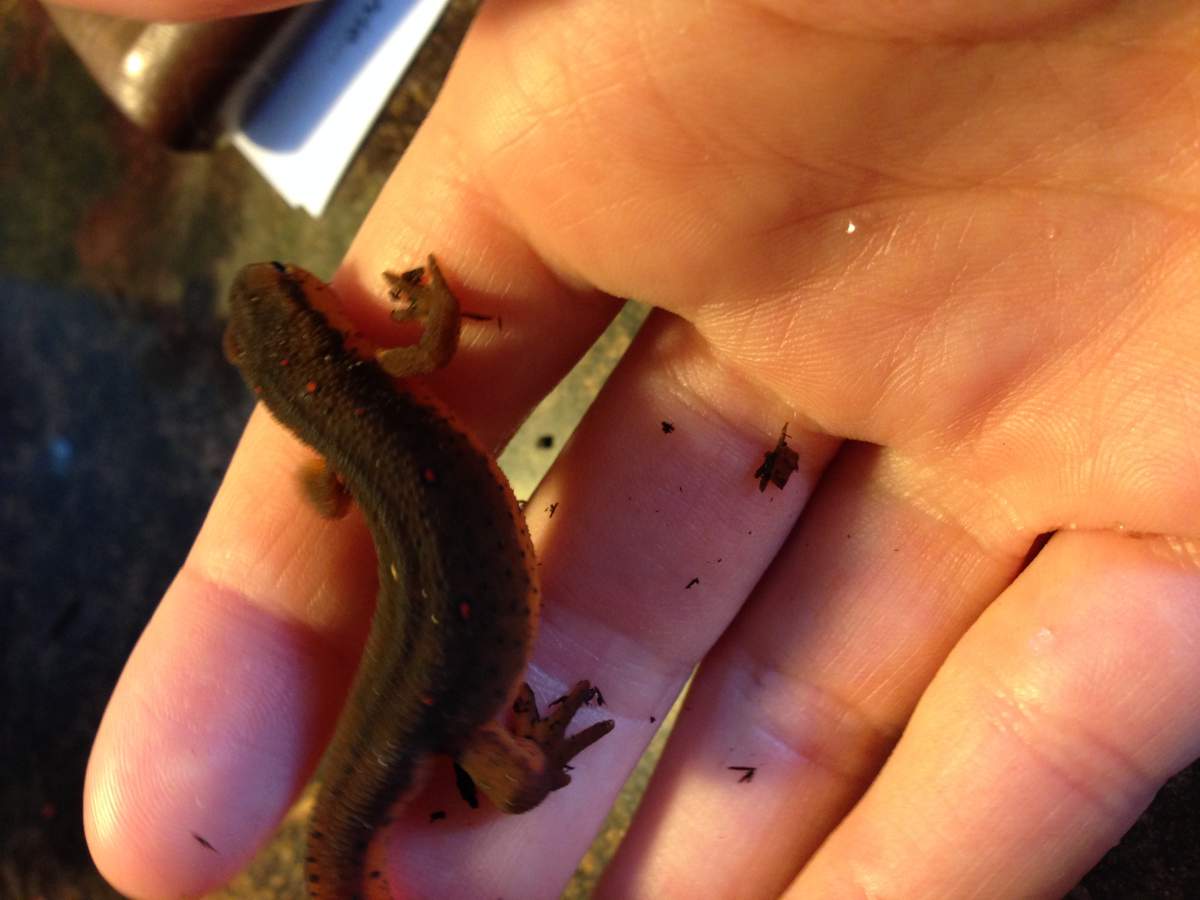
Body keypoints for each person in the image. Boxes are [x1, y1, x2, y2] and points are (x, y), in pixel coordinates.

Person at [77, 0, 1200, 897]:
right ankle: (508, 778)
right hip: (446, 688)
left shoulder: (343, 448)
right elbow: (435, 342)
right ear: (327, 330)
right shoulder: (384, 391)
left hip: (433, 668)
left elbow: (336, 489)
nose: (302, 275)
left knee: (414, 735)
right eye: (297, 283)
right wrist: (430, 301)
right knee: (462, 752)